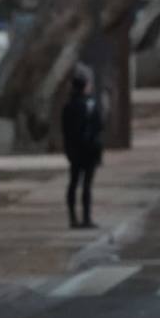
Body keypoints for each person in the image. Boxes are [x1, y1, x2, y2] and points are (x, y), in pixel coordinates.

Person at [61, 72, 103, 229]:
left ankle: (73, 218)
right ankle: (86, 217)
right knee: (86, 184)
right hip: (90, 149)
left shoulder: (68, 106)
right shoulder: (90, 104)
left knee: (73, 182)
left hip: (74, 150)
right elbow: (99, 124)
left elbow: (65, 129)